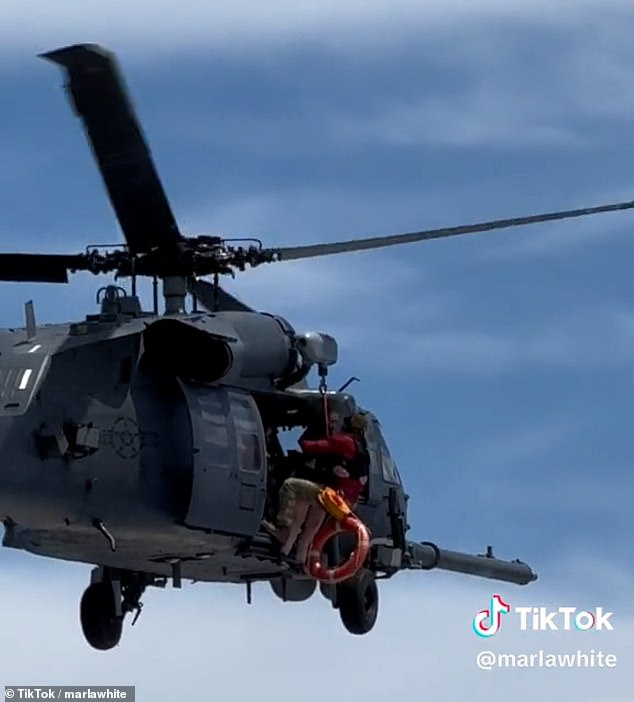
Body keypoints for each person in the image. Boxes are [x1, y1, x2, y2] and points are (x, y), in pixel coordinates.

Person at [263, 412, 370, 563]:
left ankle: (283, 530)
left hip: (329, 495)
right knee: (311, 526)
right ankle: (298, 558)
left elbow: (308, 446)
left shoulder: (345, 442)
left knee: (291, 486)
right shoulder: (364, 450)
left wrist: (315, 434)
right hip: (340, 500)